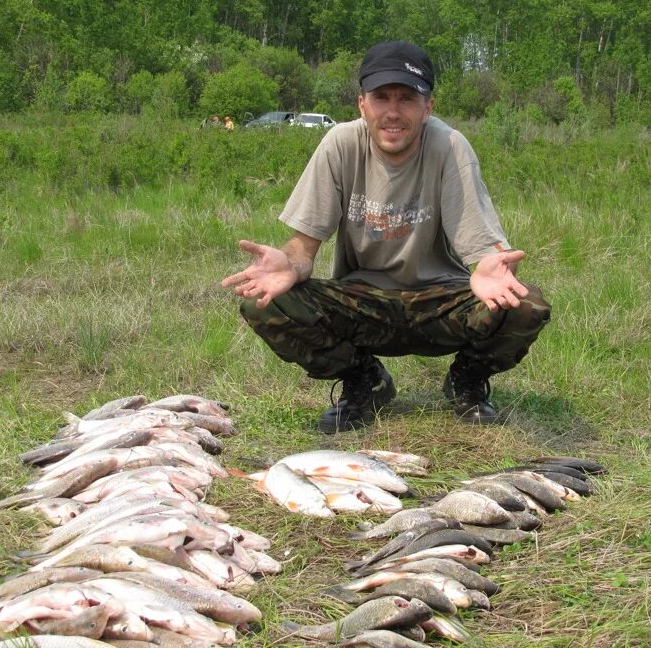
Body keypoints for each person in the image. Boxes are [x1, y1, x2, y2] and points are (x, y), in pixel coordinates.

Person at [222, 40, 551, 434]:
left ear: (427, 107)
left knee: (525, 303)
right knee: (266, 304)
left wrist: (487, 269)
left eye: (407, 98)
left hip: (439, 301)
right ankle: (365, 380)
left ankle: (467, 379)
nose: (393, 112)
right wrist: (289, 265)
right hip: (363, 302)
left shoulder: (449, 146)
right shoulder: (340, 144)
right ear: (362, 103)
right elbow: (303, 248)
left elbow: (482, 249)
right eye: (382, 98)